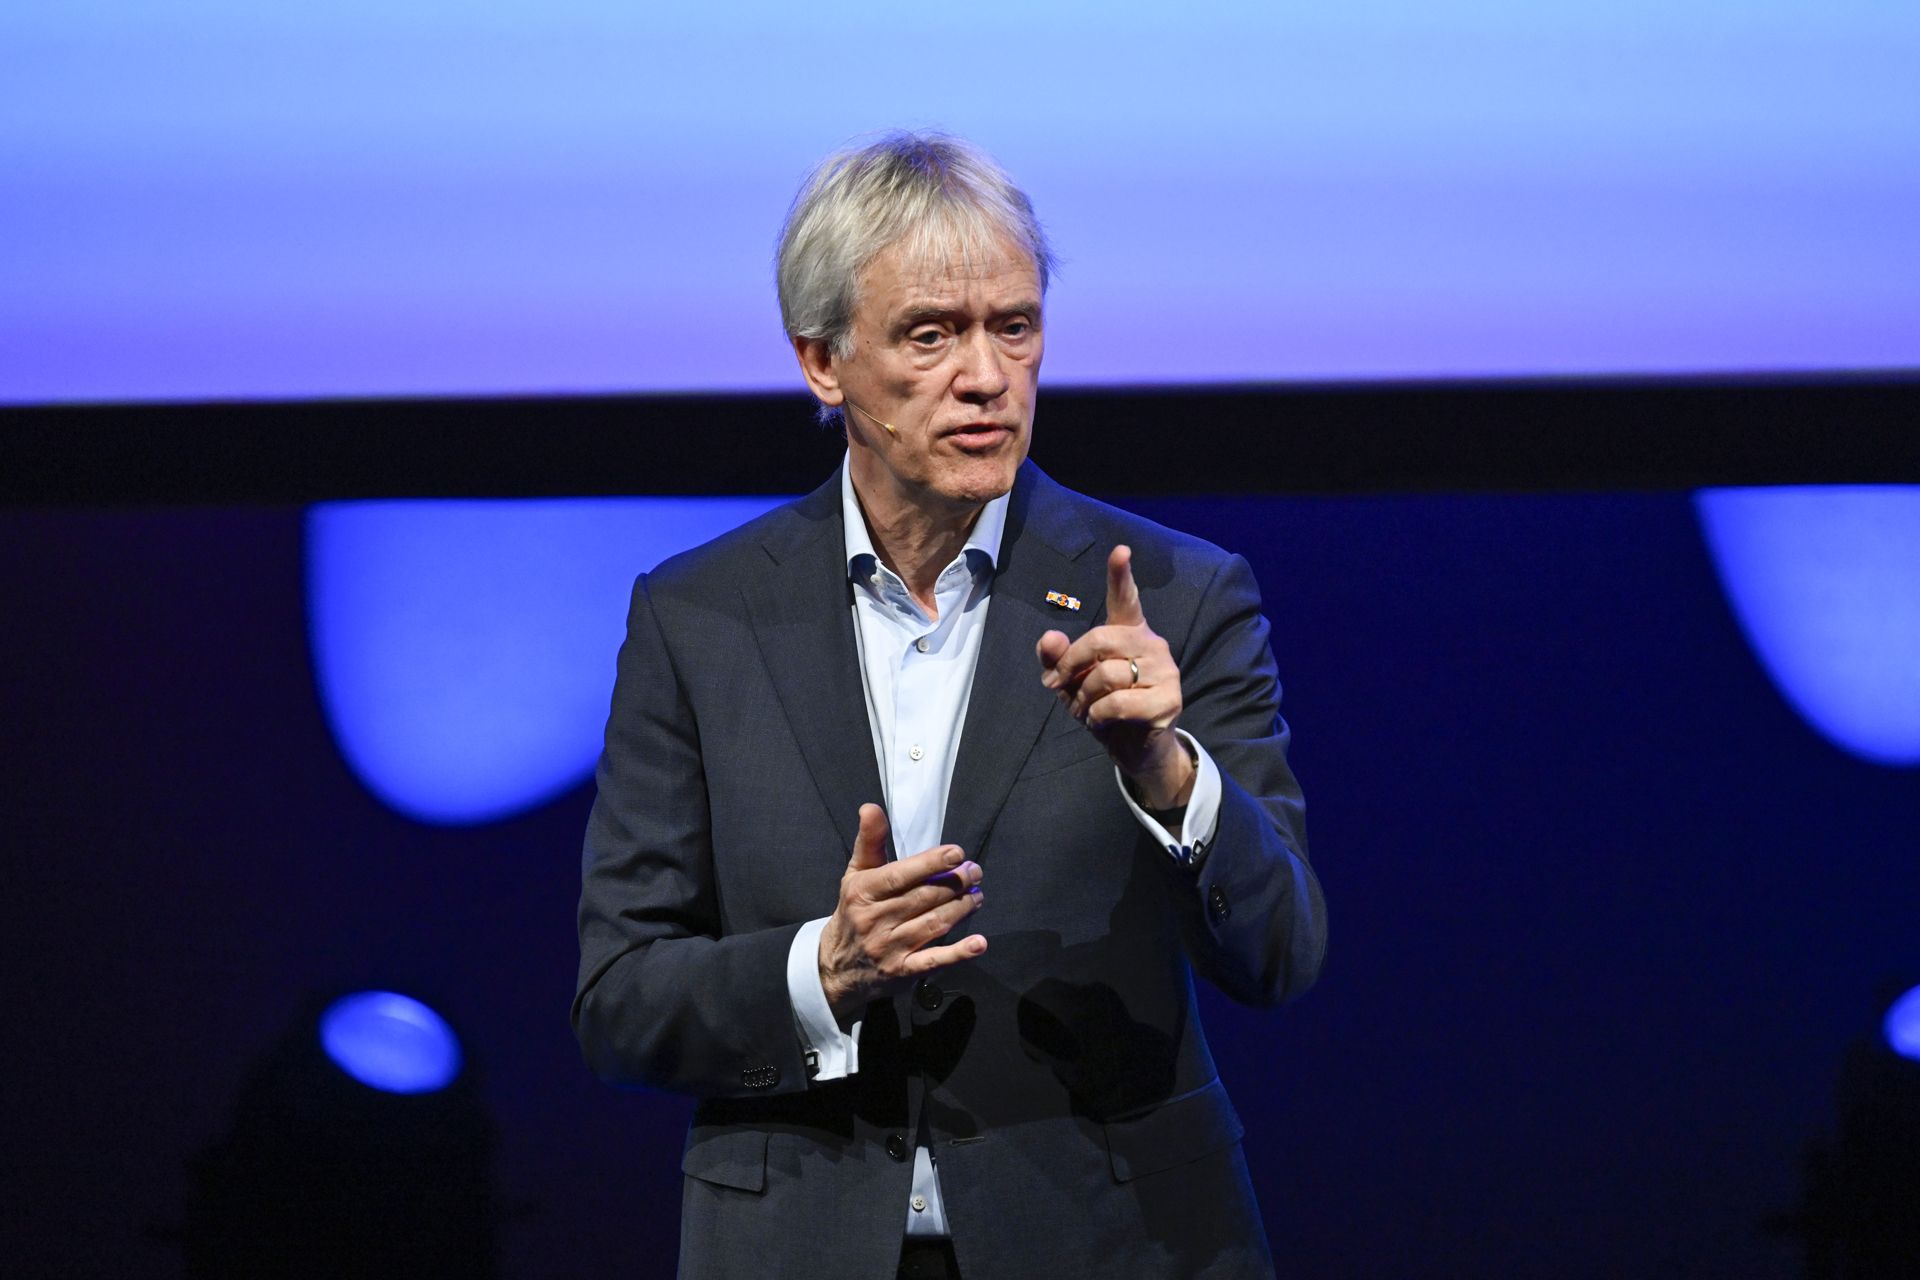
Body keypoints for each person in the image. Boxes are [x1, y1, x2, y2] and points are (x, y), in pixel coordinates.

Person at [573, 132, 1326, 1280]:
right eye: (931, 333)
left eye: (1013, 327)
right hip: (799, 1242)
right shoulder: (699, 615)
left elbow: (1282, 952)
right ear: (823, 363)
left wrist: (1167, 775)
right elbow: (620, 998)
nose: (986, 375)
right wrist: (822, 968)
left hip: (1114, 1242)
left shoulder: (1176, 594)